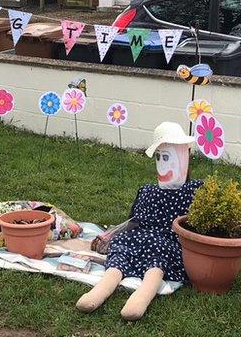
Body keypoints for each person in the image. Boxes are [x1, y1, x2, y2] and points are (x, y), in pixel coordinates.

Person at [76, 122, 201, 321]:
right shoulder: (156, 191)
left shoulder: (185, 191)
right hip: (149, 237)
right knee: (128, 252)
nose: (163, 163)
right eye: (160, 157)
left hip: (159, 239)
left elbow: (135, 218)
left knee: (150, 259)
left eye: (167, 156)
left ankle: (137, 297)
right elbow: (135, 219)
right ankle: (100, 291)